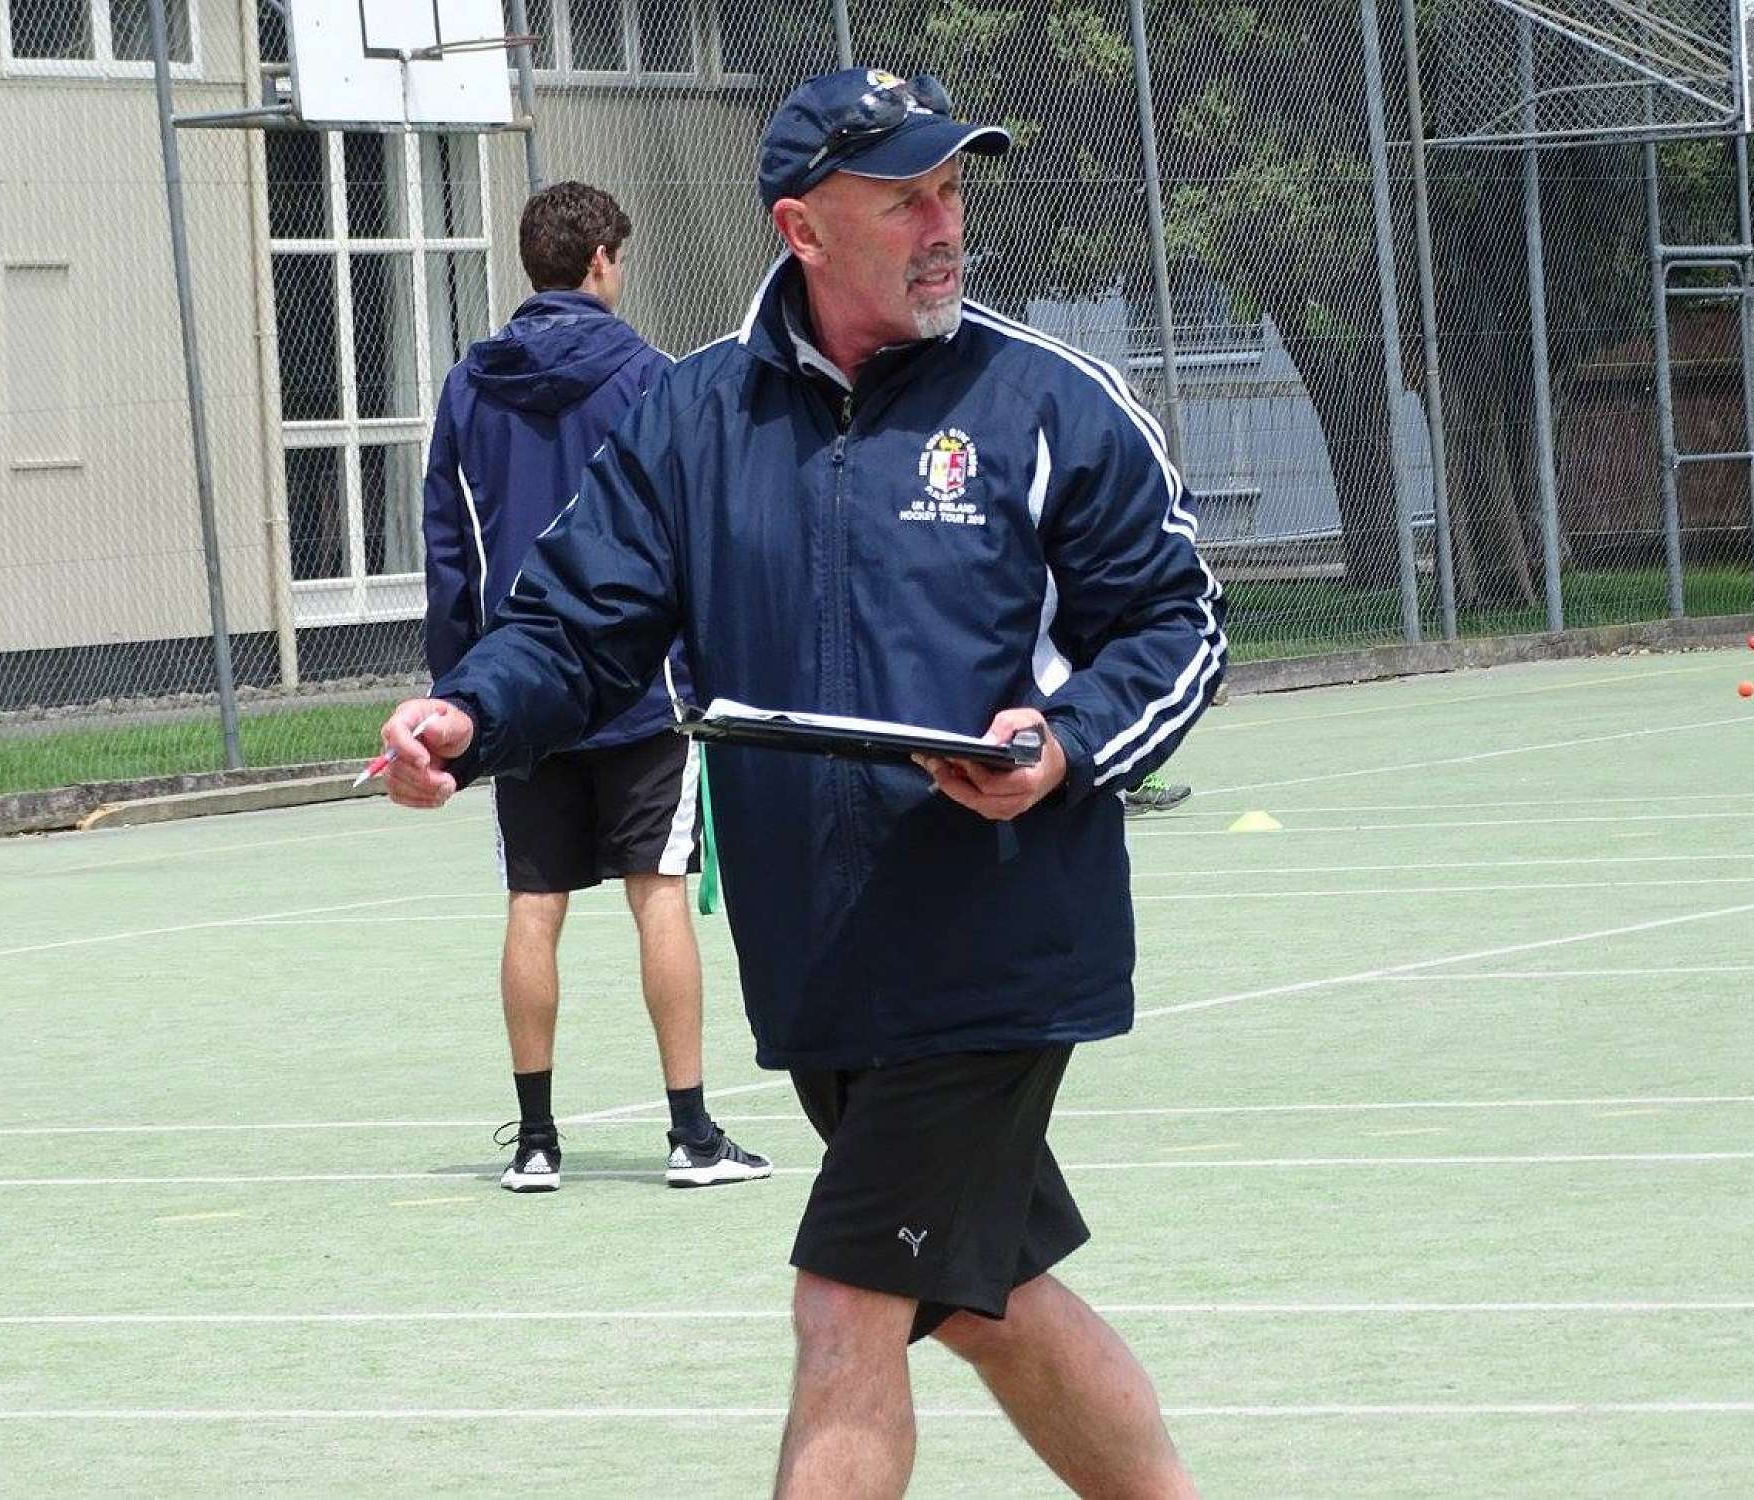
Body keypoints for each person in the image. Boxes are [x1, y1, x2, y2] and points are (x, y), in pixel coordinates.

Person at [385, 69, 1221, 1496]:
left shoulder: (1048, 402)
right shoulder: (694, 417)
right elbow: (575, 629)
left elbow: (1175, 623)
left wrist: (1064, 743)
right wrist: (467, 716)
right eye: (904, 199)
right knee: (985, 1298)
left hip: (994, 948)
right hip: (816, 962)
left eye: (953, 188)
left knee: (843, 1307)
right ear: (802, 228)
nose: (944, 224)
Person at [422, 180, 770, 1194]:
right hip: (640, 689)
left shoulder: (467, 387)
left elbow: (449, 550)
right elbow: (702, 541)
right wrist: (707, 674)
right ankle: (691, 1136)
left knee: (533, 903)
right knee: (658, 897)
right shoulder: (656, 380)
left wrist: (463, 696)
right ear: (603, 260)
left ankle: (535, 1143)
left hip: (517, 693)